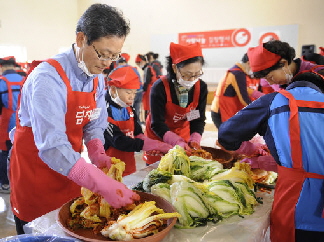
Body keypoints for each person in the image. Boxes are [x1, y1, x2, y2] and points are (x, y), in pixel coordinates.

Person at [9, 4, 139, 234]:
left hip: (70, 171)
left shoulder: (96, 77)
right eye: (103, 54)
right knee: (40, 232)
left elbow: (95, 122)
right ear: (81, 39)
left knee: (70, 227)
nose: (107, 63)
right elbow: (52, 147)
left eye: (114, 56)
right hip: (36, 175)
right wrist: (99, 182)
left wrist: (97, 150)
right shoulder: (48, 79)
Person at [217, 69, 324, 242]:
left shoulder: (276, 100)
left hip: (295, 209)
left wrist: (247, 147)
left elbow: (226, 135)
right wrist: (273, 162)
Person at [144, 42, 208, 165]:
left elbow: (197, 118)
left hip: (182, 133)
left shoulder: (201, 87)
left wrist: (195, 137)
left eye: (197, 74)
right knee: (159, 170)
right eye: (188, 75)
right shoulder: (160, 87)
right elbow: (157, 124)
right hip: (158, 136)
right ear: (174, 68)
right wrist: (175, 141)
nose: (192, 79)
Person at [104, 66, 172, 175]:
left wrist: (152, 145)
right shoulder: (104, 111)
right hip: (110, 170)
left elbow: (138, 133)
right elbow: (119, 141)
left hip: (129, 166)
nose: (132, 97)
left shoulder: (128, 107)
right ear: (113, 89)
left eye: (134, 93)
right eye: (128, 93)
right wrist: (148, 145)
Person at [210, 53, 266, 129]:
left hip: (227, 111)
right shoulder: (237, 73)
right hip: (221, 112)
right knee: (229, 139)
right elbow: (244, 99)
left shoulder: (239, 72)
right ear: (249, 63)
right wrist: (258, 111)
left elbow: (246, 91)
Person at [247, 40, 324, 89]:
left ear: (283, 63)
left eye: (270, 77)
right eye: (265, 79)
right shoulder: (279, 81)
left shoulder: (318, 75)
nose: (270, 83)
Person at [0, 56, 24, 193]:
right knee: (21, 154)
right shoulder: (24, 79)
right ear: (14, 66)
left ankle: (5, 184)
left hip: (7, 124)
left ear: (2, 67)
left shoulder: (1, 82)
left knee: (4, 153)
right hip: (24, 124)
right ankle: (20, 183)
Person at [114, 53, 143, 121]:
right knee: (136, 112)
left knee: (129, 112)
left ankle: (130, 127)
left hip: (131, 93)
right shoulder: (133, 68)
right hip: (139, 92)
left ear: (119, 63)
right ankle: (137, 128)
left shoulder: (121, 69)